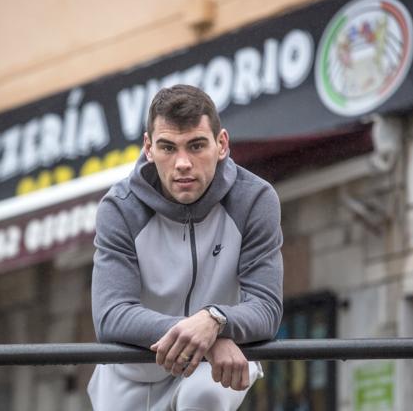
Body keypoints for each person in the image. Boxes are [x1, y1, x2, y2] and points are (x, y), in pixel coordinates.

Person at [88, 84, 283, 410]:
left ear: (222, 144)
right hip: (133, 372)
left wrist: (215, 320)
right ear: (148, 149)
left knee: (202, 397)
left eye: (196, 146)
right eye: (168, 148)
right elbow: (111, 315)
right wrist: (202, 336)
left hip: (217, 366)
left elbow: (266, 307)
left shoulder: (255, 199)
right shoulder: (119, 208)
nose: (182, 163)